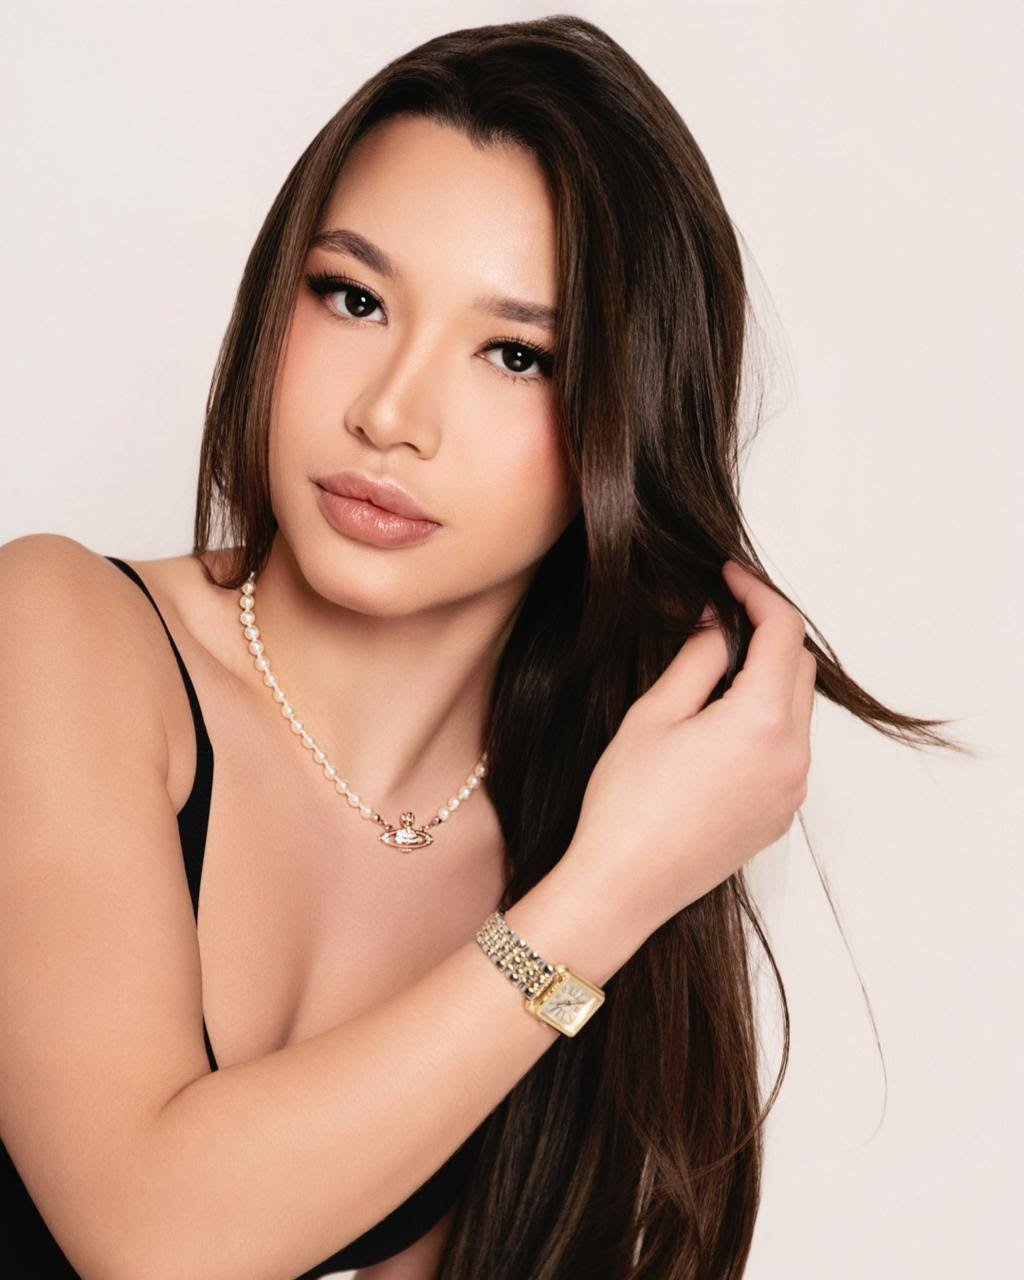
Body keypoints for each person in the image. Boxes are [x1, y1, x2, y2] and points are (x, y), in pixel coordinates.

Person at [0, 15, 969, 1280]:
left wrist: (613, 873)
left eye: (516, 355)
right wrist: (606, 895)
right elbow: (153, 1236)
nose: (390, 414)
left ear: (624, 423)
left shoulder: (582, 815)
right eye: (354, 297)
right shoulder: (59, 630)